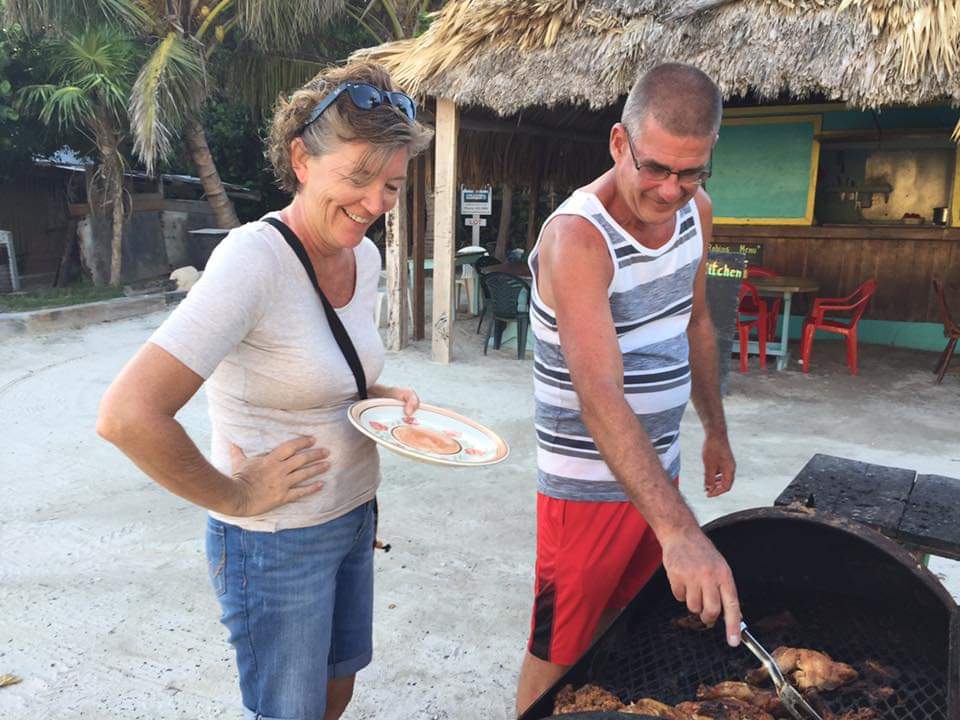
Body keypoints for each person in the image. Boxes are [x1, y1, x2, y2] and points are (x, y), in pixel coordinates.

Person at [97, 61, 432, 720]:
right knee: (289, 711)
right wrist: (235, 494)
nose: (375, 204)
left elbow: (324, 370)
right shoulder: (254, 261)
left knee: (337, 691)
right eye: (359, 178)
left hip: (353, 517)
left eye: (392, 186)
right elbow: (127, 415)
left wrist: (379, 395)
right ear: (301, 159)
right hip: (275, 542)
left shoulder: (364, 257)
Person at [516, 63, 742, 714]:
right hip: (583, 494)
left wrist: (715, 431)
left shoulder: (697, 213)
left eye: (690, 171)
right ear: (619, 143)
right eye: (654, 168)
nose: (671, 190)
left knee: (631, 631)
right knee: (557, 653)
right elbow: (600, 395)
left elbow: (696, 322)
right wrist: (680, 530)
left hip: (659, 474)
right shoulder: (578, 238)